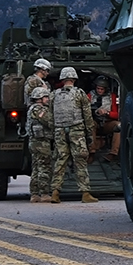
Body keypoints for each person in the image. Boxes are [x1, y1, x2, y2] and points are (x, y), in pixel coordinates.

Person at [49, 66, 98, 203]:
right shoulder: (79, 93)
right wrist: (89, 133)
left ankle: (55, 192)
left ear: (62, 79)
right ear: (74, 79)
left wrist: (54, 131)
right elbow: (87, 115)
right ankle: (85, 193)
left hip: (59, 130)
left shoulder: (54, 94)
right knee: (80, 161)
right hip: (76, 130)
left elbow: (50, 115)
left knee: (60, 160)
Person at [24, 58, 55, 203]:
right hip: (41, 141)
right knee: (44, 167)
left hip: (35, 141)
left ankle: (34, 194)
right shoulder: (38, 108)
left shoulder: (34, 109)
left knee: (36, 167)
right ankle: (43, 194)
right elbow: (49, 121)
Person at [90, 77, 120, 161]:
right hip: (95, 122)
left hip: (107, 122)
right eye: (98, 88)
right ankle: (91, 152)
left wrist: (107, 113)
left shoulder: (112, 97)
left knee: (119, 126)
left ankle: (113, 153)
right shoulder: (90, 95)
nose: (99, 90)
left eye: (101, 89)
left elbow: (117, 114)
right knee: (90, 124)